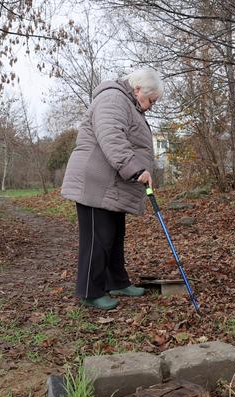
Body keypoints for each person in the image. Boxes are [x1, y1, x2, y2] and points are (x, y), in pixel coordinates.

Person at [61, 68, 163, 310]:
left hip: (112, 182)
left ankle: (116, 281)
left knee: (114, 235)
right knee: (98, 238)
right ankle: (90, 291)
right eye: (150, 100)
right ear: (138, 90)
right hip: (96, 182)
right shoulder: (113, 98)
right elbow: (112, 138)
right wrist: (136, 169)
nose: (150, 106)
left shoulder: (128, 103)